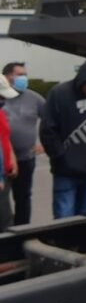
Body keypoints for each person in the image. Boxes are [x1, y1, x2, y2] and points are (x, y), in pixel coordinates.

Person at [39, 61, 86, 219]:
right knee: (64, 219)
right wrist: (61, 157)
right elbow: (47, 131)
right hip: (66, 173)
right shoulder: (59, 94)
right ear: (82, 79)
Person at [2, 62, 46, 225]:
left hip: (26, 158)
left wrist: (45, 143)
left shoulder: (33, 98)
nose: (24, 78)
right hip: (4, 160)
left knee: (23, 197)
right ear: (7, 76)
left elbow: (50, 119)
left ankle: (22, 232)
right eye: (19, 74)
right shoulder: (2, 96)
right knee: (2, 201)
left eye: (25, 75)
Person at [0, 74, 19, 230]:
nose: (3, 101)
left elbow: (4, 138)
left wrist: (12, 158)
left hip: (5, 176)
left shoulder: (0, 112)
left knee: (5, 220)